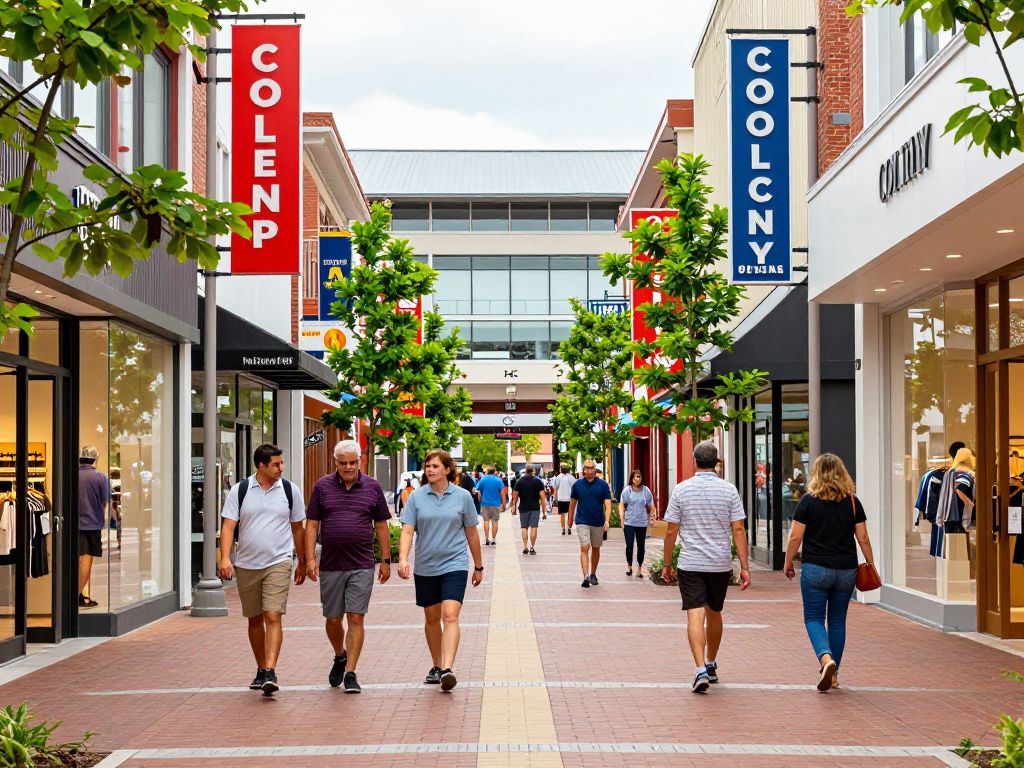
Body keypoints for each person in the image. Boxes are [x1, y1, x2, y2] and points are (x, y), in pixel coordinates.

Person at [661, 441, 750, 694]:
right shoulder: (729, 490)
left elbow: (671, 529)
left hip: (691, 562)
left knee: (694, 614)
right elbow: (739, 529)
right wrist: (744, 566)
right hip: (719, 563)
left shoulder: (681, 490)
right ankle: (711, 663)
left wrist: (667, 563)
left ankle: (699, 668)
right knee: (715, 612)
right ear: (717, 462)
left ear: (694, 460)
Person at [304, 440, 392, 694]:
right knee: (333, 619)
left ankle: (351, 672)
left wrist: (385, 561)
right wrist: (310, 558)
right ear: (335, 463)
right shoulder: (322, 487)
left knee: (355, 616)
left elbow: (381, 525)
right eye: (343, 463)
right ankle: (339, 655)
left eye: (353, 462)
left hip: (361, 563)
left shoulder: (372, 487)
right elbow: (312, 524)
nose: (348, 467)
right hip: (331, 564)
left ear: (360, 460)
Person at [219, 444, 306, 696]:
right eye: (276, 464)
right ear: (261, 466)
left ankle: (270, 670)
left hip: (279, 561)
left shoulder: (290, 490)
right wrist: (225, 558)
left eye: (282, 463)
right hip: (247, 563)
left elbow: (298, 528)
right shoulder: (241, 490)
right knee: (255, 619)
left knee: (273, 615)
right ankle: (260, 668)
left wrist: (302, 559)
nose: (281, 468)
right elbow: (228, 527)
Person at [783, 452, 874, 692]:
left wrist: (788, 561)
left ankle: (826, 660)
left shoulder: (808, 501)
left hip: (815, 569)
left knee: (813, 618)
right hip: (846, 570)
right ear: (842, 474)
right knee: (837, 621)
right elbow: (862, 537)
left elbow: (795, 536)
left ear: (817, 474)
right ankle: (833, 675)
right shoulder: (853, 502)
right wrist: (870, 563)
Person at [398, 449, 483, 692]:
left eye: (435, 466)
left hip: (454, 564)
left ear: (447, 469)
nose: (430, 469)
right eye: (428, 466)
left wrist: (478, 566)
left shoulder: (463, 496)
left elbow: (472, 533)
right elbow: (407, 530)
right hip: (426, 566)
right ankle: (436, 665)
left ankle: (447, 668)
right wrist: (403, 558)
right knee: (432, 617)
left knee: (450, 615)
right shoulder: (416, 497)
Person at [568, 459, 612, 588]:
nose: (589, 470)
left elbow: (607, 504)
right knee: (584, 547)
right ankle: (585, 576)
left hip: (598, 521)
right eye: (587, 468)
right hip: (582, 520)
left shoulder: (603, 485)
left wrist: (607, 520)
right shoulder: (577, 485)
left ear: (595, 470)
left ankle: (593, 573)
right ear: (583, 470)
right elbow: (572, 503)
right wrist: (570, 519)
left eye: (592, 468)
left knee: (596, 548)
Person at [77, 445, 109, 609]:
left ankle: (80, 595)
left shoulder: (72, 475)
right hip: (92, 523)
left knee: (75, 559)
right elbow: (104, 503)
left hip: (73, 524)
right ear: (95, 458)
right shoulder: (100, 477)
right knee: (87, 559)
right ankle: (75, 595)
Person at [620, 469, 654, 577]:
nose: (637, 479)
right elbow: (621, 505)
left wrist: (653, 515)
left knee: (641, 546)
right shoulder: (627, 490)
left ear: (641, 478)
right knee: (629, 545)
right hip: (629, 522)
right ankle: (629, 567)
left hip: (641, 522)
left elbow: (651, 505)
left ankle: (639, 568)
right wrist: (622, 520)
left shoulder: (646, 490)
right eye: (635, 477)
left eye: (639, 476)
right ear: (632, 478)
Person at [511, 465, 546, 555]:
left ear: (526, 471)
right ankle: (532, 547)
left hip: (523, 508)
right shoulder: (538, 481)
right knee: (534, 527)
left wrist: (514, 508)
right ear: (533, 471)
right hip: (535, 508)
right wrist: (544, 512)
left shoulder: (520, 481)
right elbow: (542, 497)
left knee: (524, 527)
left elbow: (514, 496)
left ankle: (525, 546)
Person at [475, 467, 506, 546]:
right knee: (494, 522)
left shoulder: (483, 480)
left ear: (487, 472)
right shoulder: (498, 480)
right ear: (494, 472)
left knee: (486, 521)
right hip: (496, 504)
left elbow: (477, 491)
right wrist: (504, 504)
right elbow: (503, 493)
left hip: (485, 504)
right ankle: (493, 539)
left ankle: (486, 539)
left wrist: (480, 500)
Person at [553, 464, 575, 535]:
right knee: (569, 513)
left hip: (561, 498)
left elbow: (556, 488)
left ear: (561, 470)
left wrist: (555, 498)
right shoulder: (571, 477)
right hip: (570, 499)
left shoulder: (558, 477)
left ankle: (563, 529)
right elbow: (574, 488)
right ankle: (569, 528)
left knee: (562, 514)